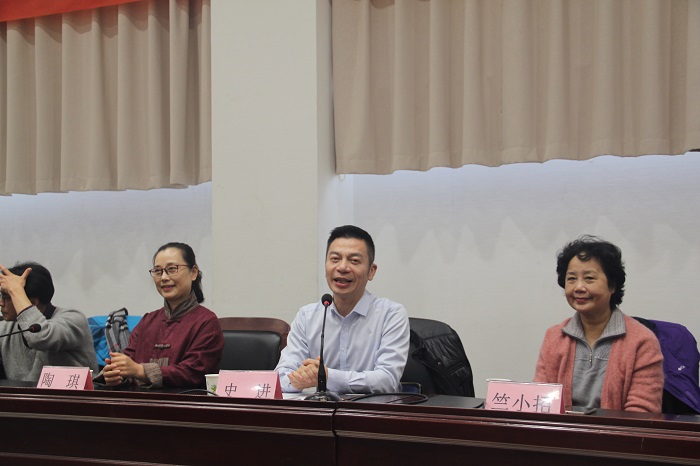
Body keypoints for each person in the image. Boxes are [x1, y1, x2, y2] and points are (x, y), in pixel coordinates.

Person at [534, 236, 664, 412]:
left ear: (612, 285)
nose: (578, 287)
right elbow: (540, 402)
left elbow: (641, 414)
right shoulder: (554, 337)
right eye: (571, 279)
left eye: (589, 278)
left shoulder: (642, 341)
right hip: (563, 429)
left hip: (618, 430)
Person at [276, 225, 410, 394]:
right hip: (320, 409)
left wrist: (327, 376)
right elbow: (281, 376)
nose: (342, 267)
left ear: (371, 271)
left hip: (372, 409)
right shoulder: (307, 316)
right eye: (335, 259)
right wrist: (301, 379)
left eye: (354, 261)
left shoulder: (391, 315)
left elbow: (387, 380)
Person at [102, 242, 223, 388]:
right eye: (158, 271)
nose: (164, 277)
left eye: (172, 269)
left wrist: (140, 371)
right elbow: (128, 360)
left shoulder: (206, 322)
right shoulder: (148, 321)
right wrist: (116, 373)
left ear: (193, 272)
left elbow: (193, 372)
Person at [0, 262, 98, 382]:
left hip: (73, 393)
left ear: (33, 303)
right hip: (22, 394)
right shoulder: (7, 327)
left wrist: (16, 290)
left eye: (7, 297)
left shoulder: (73, 320)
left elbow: (40, 337)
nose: (1, 303)